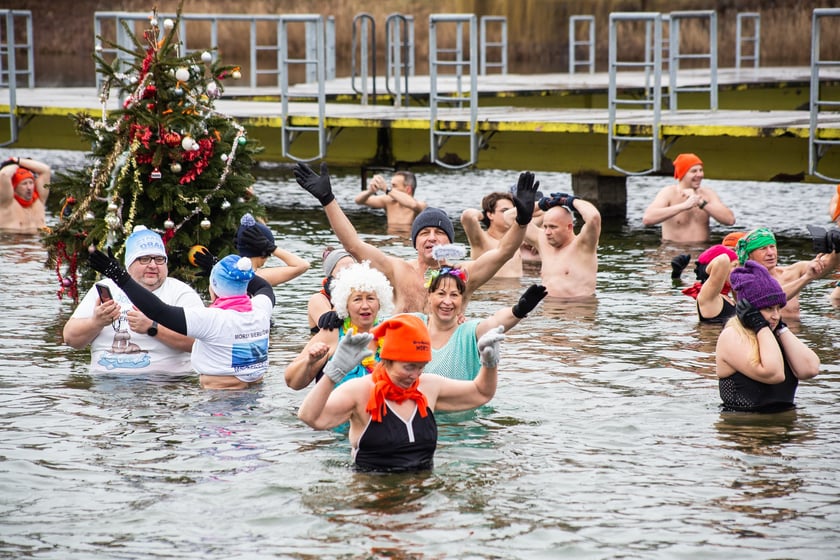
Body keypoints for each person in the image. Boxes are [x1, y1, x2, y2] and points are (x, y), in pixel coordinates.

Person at [293, 162, 539, 314]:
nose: (432, 238)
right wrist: (328, 200)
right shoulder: (397, 270)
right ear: (415, 242)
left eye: (440, 233)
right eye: (424, 233)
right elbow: (353, 245)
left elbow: (503, 252)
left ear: (450, 243)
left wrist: (523, 220)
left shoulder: (465, 274)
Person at [297, 313, 506, 472]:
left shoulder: (428, 387)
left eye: (421, 366)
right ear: (387, 360)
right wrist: (333, 373)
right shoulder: (360, 390)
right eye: (408, 367)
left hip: (421, 495)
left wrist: (489, 363)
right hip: (371, 498)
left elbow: (481, 393)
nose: (415, 375)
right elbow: (310, 417)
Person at [89, 247, 276, 390]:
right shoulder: (261, 309)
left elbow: (158, 311)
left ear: (214, 288)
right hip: (255, 391)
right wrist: (225, 268)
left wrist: (118, 275)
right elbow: (264, 288)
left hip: (220, 402)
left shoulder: (211, 319)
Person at [63, 226, 203, 375]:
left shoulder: (180, 292)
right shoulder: (106, 287)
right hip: (107, 383)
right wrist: (96, 322)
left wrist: (152, 329)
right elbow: (70, 339)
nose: (153, 265)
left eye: (159, 259)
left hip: (163, 382)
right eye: (144, 259)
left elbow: (200, 343)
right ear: (129, 264)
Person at [716, 260, 819, 412]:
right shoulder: (731, 335)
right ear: (749, 309)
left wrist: (781, 329)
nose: (776, 316)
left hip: (785, 424)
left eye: (778, 308)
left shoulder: (775, 331)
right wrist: (760, 326)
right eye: (768, 309)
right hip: (745, 427)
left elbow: (810, 369)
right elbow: (774, 373)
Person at [421, 267, 546, 379]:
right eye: (441, 294)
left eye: (454, 295)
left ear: (461, 299)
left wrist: (518, 310)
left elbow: (496, 321)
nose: (447, 301)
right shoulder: (414, 324)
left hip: (463, 404)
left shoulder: (469, 332)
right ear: (429, 296)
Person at [286, 261, 394, 390]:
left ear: (380, 302)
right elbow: (292, 383)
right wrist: (310, 361)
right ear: (345, 305)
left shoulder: (390, 334)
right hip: (337, 407)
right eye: (357, 299)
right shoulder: (333, 334)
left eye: (370, 298)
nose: (365, 306)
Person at [736, 227, 839, 319]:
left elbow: (825, 264)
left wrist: (836, 247)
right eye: (763, 249)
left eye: (772, 247)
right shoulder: (746, 281)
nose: (770, 253)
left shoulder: (793, 271)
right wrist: (806, 278)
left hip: (796, 335)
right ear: (750, 255)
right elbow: (772, 296)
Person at [521, 192, 601, 299]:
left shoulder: (584, 245)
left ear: (569, 227)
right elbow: (509, 218)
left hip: (579, 309)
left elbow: (594, 218)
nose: (547, 232)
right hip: (547, 311)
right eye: (545, 226)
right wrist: (541, 204)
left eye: (553, 227)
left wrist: (572, 201)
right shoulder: (542, 241)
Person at [642, 153, 736, 243]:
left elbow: (730, 220)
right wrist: (684, 206)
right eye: (694, 171)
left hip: (701, 251)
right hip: (673, 250)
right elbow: (648, 219)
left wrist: (701, 203)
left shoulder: (707, 194)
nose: (699, 175)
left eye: (701, 170)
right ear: (682, 174)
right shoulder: (669, 192)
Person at [234, 213, 310, 287]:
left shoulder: (228, 270)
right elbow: (303, 265)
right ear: (264, 251)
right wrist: (271, 248)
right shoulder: (258, 277)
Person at [460, 191, 524, 278]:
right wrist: (482, 216)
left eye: (512, 211)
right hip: (491, 289)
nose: (510, 215)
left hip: (518, 290)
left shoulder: (518, 238)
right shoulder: (482, 240)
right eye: (505, 211)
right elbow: (468, 216)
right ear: (490, 214)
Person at [680, 244, 739, 323]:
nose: (739, 269)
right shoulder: (709, 297)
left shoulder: (728, 298)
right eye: (734, 265)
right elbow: (723, 259)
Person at [306, 246, 357, 334]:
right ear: (330, 275)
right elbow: (330, 326)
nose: (349, 274)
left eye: (352, 269)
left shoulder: (362, 296)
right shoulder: (318, 299)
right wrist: (341, 296)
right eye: (343, 270)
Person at [354, 170, 426, 230]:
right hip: (391, 240)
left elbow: (413, 205)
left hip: (407, 240)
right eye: (390, 186)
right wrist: (370, 191)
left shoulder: (421, 205)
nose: (391, 189)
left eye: (394, 186)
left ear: (408, 189)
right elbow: (359, 200)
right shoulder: (388, 201)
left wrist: (386, 189)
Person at [0, 156, 52, 233]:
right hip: (13, 243)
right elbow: (4, 175)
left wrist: (18, 160)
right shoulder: (6, 202)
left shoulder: (40, 200)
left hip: (37, 242)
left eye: (31, 183)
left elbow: (46, 170)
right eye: (24, 184)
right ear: (15, 186)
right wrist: (13, 164)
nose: (29, 187)